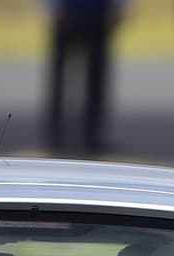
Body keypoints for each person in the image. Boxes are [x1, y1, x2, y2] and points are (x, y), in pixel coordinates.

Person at [42, 0, 126, 157]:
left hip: (97, 12)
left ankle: (92, 134)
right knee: (59, 79)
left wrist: (118, 7)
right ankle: (56, 133)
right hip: (67, 10)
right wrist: (52, 9)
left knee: (97, 78)